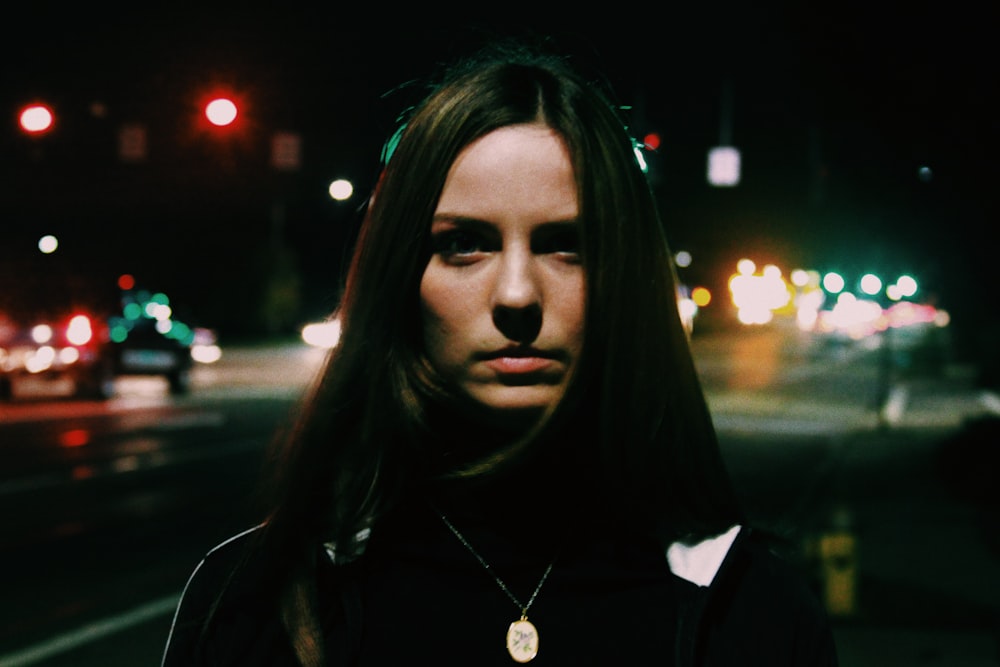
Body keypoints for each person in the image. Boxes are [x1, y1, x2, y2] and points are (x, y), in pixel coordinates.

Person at [162, 39, 838, 666]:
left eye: (568, 243)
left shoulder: (748, 610)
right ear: (399, 274)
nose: (517, 294)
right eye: (464, 243)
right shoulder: (257, 601)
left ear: (627, 276)